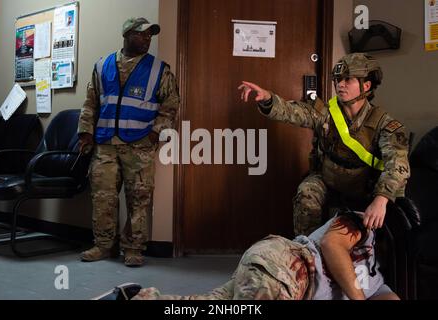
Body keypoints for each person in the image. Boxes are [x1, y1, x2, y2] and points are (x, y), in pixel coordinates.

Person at [238, 53, 410, 236]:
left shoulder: (384, 123)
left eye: (347, 80)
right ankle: (307, 251)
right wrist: (267, 99)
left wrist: (381, 199)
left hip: (364, 185)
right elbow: (294, 111)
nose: (339, 85)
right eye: (337, 80)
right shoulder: (327, 112)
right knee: (306, 193)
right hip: (327, 179)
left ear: (366, 86)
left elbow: (398, 164)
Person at [109, 210, 399, 300]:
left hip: (275, 275)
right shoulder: (366, 226)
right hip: (286, 266)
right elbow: (332, 246)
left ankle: (136, 298)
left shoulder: (382, 282)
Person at [78, 17, 180, 267]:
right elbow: (91, 101)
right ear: (127, 35)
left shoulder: (159, 70)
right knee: (103, 198)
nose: (147, 39)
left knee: (139, 199)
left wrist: (156, 133)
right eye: (142, 34)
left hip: (140, 146)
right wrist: (85, 132)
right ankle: (103, 245)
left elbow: (170, 105)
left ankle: (134, 249)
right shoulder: (102, 65)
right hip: (104, 145)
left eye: (149, 36)